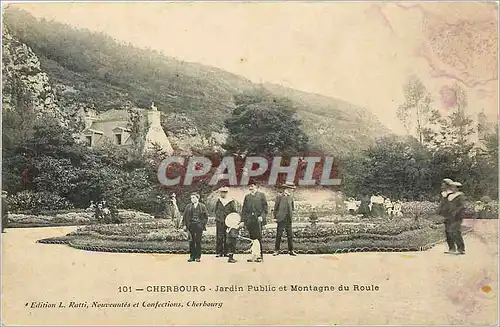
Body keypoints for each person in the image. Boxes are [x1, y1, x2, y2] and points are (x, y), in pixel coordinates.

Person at [241, 183, 268, 262]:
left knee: (258, 238)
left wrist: (262, 217)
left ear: (256, 187)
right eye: (249, 186)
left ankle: (260, 256)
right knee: (252, 238)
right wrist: (243, 220)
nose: (250, 188)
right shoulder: (247, 197)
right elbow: (244, 210)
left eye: (252, 186)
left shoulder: (261, 195)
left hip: (258, 220)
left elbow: (265, 209)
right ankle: (253, 255)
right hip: (250, 220)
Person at [183, 193, 209, 262]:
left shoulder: (202, 206)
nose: (192, 199)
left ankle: (198, 257)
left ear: (198, 198)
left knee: (198, 241)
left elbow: (206, 216)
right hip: (191, 225)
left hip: (199, 226)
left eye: (194, 198)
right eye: (191, 198)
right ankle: (192, 256)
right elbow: (184, 216)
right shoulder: (188, 206)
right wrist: (185, 225)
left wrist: (202, 224)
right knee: (191, 241)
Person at [273, 182, 297, 256]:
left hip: (288, 219)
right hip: (281, 219)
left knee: (290, 235)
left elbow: (292, 207)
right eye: (290, 189)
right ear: (286, 189)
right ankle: (276, 250)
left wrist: (291, 215)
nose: (292, 190)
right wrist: (275, 217)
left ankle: (291, 250)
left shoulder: (291, 197)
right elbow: (275, 208)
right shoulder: (279, 196)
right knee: (279, 235)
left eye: (292, 189)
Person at [214, 186, 237, 258]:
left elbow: (234, 212)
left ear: (226, 193)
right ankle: (218, 252)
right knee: (219, 237)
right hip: (219, 221)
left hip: (228, 222)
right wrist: (218, 217)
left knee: (227, 237)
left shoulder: (231, 201)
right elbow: (216, 210)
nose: (222, 194)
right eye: (221, 192)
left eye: (224, 193)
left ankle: (226, 252)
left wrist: (232, 221)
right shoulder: (219, 201)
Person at [444, 181, 466, 255]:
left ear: (457, 188)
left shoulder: (460, 196)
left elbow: (462, 206)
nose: (452, 188)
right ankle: (451, 248)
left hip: (457, 217)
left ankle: (461, 249)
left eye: (453, 187)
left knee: (456, 232)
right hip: (449, 217)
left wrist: (456, 212)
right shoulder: (449, 195)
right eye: (451, 187)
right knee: (448, 232)